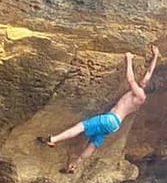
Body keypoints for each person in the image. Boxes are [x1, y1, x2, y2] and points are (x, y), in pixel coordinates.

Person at [37, 45, 160, 173]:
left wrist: (128, 59)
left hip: (110, 119)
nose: (144, 79)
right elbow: (149, 73)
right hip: (114, 125)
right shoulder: (141, 97)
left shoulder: (139, 94)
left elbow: (130, 79)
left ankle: (53, 139)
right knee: (93, 144)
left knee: (80, 127)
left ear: (147, 86)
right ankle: (75, 165)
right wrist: (155, 55)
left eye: (145, 81)